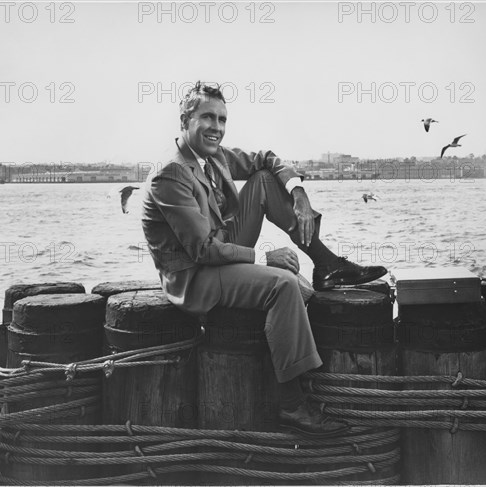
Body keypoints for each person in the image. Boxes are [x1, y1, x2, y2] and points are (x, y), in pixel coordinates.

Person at [141, 81, 387, 436]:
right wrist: (262, 257)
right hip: (194, 276)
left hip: (218, 249)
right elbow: (202, 250)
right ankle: (292, 404)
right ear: (185, 119)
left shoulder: (213, 154)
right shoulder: (172, 172)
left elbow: (265, 158)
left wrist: (298, 191)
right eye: (207, 117)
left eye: (222, 119)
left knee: (263, 180)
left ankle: (328, 264)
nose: (217, 127)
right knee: (285, 285)